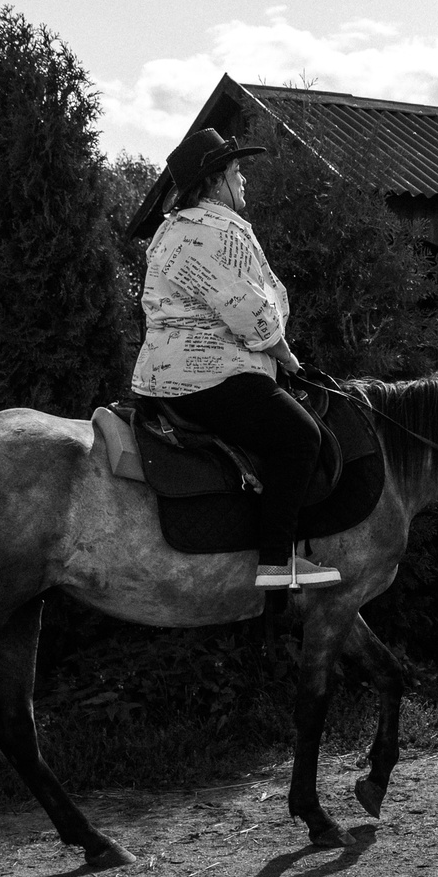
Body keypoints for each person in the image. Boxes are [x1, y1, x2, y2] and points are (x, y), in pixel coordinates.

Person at [133, 126, 341, 590]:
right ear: (215, 181)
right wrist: (288, 359)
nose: (243, 179)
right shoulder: (216, 232)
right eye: (237, 170)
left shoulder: (171, 230)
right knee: (301, 437)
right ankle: (275, 563)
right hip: (210, 377)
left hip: (162, 380)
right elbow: (246, 310)